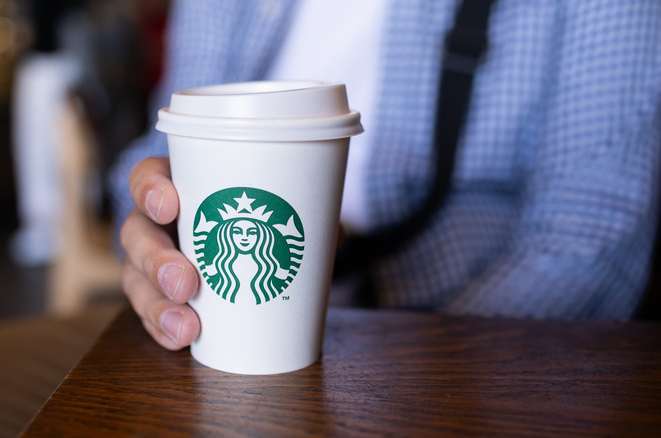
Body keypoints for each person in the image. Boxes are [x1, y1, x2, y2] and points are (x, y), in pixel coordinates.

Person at [109, 0, 661, 350]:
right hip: (219, 338)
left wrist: (407, 374)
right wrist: (151, 234)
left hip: (456, 345)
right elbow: (164, 150)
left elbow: (592, 235)